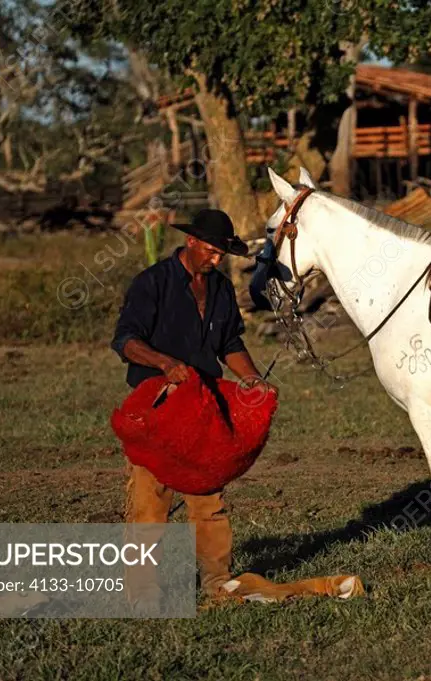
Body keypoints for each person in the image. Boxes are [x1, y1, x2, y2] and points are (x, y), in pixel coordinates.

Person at [111, 208, 273, 604]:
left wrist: (252, 380)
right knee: (150, 504)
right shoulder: (153, 284)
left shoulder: (218, 289)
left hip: (204, 409)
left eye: (221, 254)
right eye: (212, 251)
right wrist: (165, 364)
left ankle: (218, 583)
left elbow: (230, 344)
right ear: (191, 242)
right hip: (158, 408)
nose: (216, 259)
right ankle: (142, 591)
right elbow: (126, 341)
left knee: (209, 501)